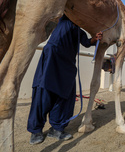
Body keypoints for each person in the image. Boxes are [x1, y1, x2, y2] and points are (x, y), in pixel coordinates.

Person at [27, 15, 103, 145]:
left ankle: (57, 129)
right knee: (43, 94)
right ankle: (36, 130)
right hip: (52, 59)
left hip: (68, 65)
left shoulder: (79, 31)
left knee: (65, 96)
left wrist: (95, 39)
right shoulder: (64, 18)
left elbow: (86, 42)